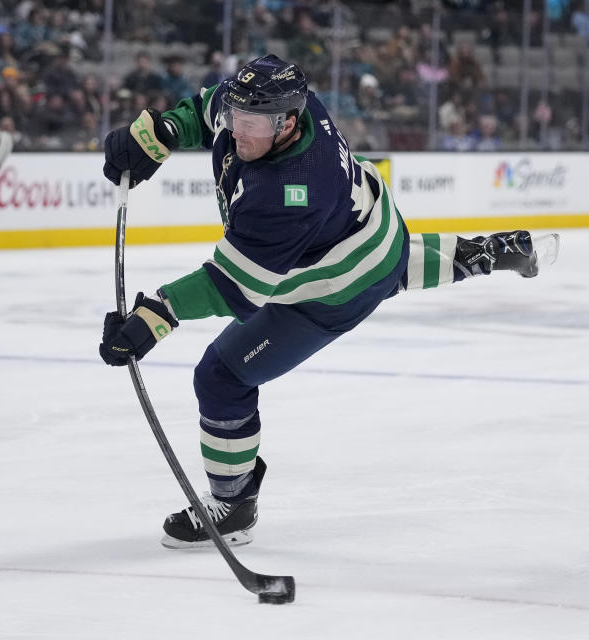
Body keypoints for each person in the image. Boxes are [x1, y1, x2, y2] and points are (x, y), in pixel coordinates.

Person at [99, 54, 558, 549]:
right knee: (385, 263)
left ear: (287, 124)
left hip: (337, 286)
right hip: (375, 226)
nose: (237, 132)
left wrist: (157, 314)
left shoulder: (290, 191)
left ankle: (232, 507)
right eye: (237, 118)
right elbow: (210, 107)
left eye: (250, 124)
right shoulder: (282, 106)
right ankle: (488, 252)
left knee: (222, 377)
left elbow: (232, 287)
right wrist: (162, 132)